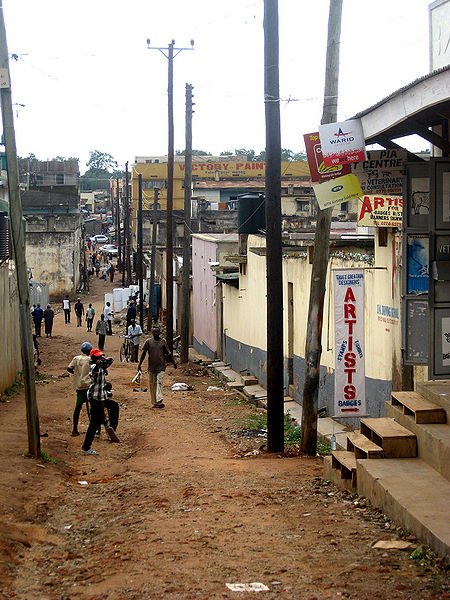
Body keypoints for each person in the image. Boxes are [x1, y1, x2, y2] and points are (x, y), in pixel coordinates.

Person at [81, 349, 119, 455]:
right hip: (95, 397)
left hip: (101, 396)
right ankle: (86, 446)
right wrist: (98, 364)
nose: (100, 358)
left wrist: (103, 360)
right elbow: (94, 372)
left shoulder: (102, 365)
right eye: (98, 357)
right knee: (94, 422)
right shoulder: (93, 367)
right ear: (93, 358)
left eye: (100, 356)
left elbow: (110, 360)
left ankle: (112, 428)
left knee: (114, 406)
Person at [137, 325, 177, 409]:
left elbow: (168, 353)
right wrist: (139, 364)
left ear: (159, 333)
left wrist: (174, 362)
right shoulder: (148, 342)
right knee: (152, 384)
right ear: (152, 333)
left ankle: (159, 400)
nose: (155, 333)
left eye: (157, 332)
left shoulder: (163, 342)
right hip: (151, 367)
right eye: (154, 332)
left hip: (161, 366)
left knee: (159, 382)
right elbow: (143, 353)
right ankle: (154, 402)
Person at [67, 342, 92, 436]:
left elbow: (69, 368)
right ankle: (96, 429)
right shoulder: (91, 359)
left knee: (78, 408)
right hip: (89, 386)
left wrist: (76, 374)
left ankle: (75, 429)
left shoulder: (76, 359)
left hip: (80, 387)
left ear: (82, 350)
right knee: (93, 407)